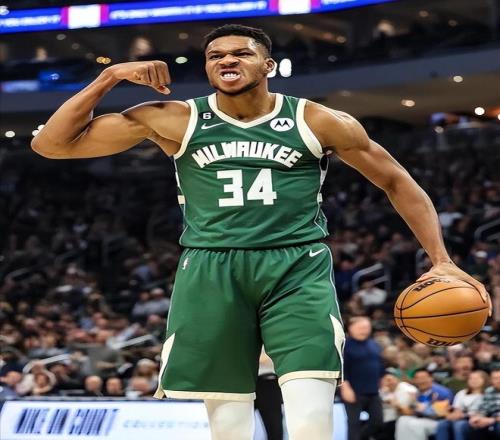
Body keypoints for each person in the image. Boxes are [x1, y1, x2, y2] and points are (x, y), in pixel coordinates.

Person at [31, 23, 490, 440]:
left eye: (241, 53)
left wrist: (442, 260)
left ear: (268, 65)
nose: (227, 60)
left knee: (311, 416)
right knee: (229, 425)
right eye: (215, 56)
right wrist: (109, 78)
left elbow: (397, 182)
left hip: (296, 265)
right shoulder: (174, 118)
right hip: (211, 267)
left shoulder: (317, 120)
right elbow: (50, 145)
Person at [342, 317, 384, 440]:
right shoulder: (345, 345)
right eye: (361, 327)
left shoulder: (374, 344)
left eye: (367, 327)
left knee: (378, 422)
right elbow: (341, 368)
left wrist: (382, 379)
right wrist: (345, 387)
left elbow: (380, 364)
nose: (364, 330)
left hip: (373, 390)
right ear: (351, 328)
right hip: (353, 390)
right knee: (353, 423)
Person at [395, 368, 454, 440]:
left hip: (440, 422)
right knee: (402, 420)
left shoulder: (441, 392)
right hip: (423, 419)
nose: (421, 381)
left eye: (424, 378)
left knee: (415, 424)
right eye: (418, 378)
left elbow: (441, 413)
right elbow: (413, 411)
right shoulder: (417, 392)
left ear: (431, 378)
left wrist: (419, 407)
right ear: (414, 380)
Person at [435, 369, 488, 440]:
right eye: (471, 378)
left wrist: (465, 415)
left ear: (485, 380)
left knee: (459, 424)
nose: (473, 381)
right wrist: (452, 414)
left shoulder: (488, 394)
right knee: (442, 423)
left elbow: (485, 411)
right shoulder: (462, 393)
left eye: (477, 378)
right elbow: (457, 409)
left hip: (477, 419)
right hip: (460, 417)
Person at [464, 369, 500, 440]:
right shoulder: (489, 391)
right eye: (495, 378)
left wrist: (493, 420)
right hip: (492, 421)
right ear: (491, 380)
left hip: (496, 421)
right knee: (475, 426)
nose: (499, 381)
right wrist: (478, 417)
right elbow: (483, 408)